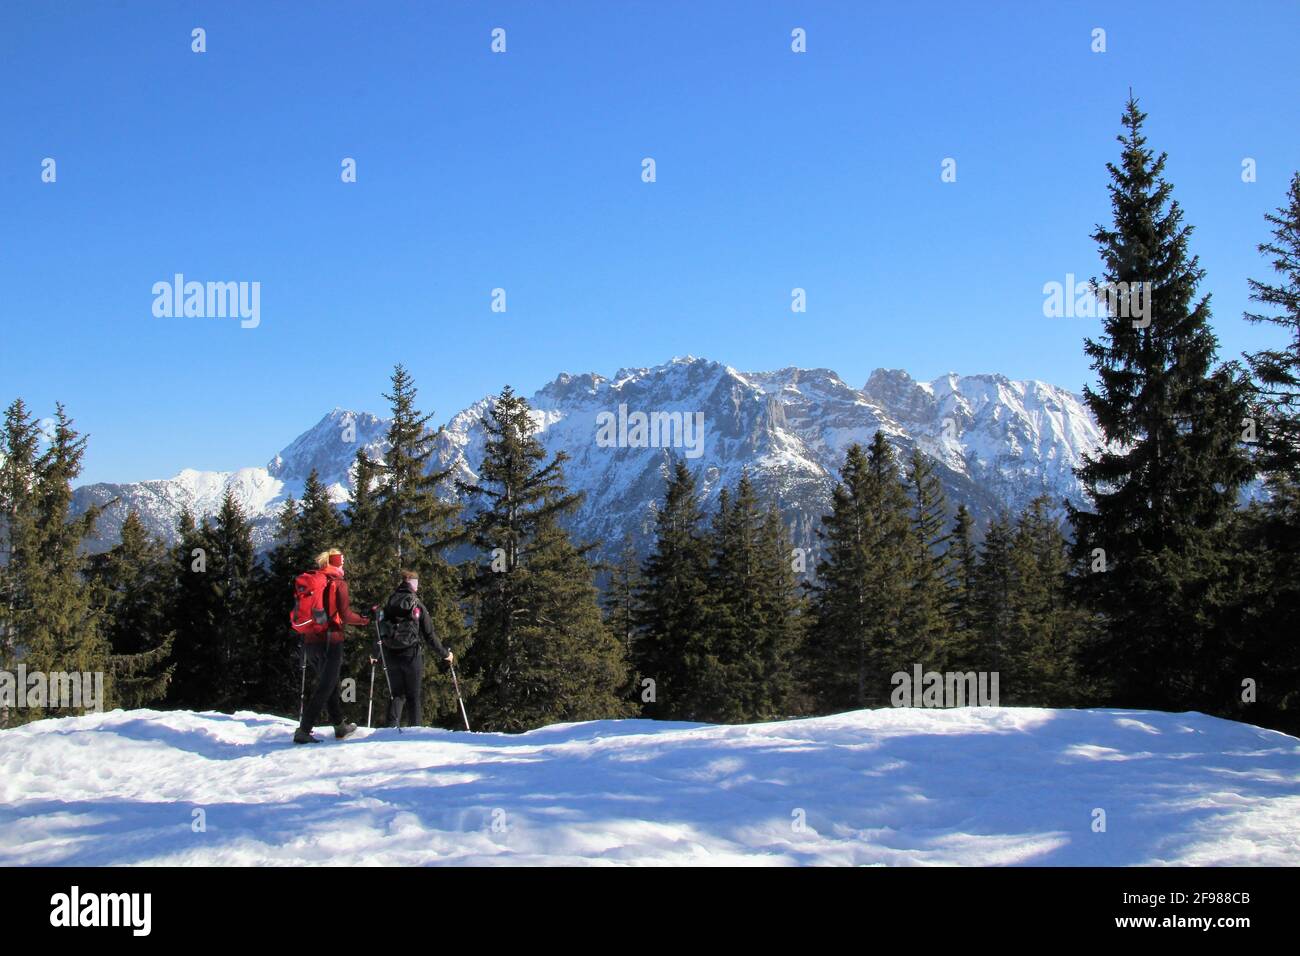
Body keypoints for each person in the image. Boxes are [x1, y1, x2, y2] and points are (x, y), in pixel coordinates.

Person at [295, 549, 369, 744]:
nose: (344, 565)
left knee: (329, 684)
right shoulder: (338, 583)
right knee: (325, 686)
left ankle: (339, 726)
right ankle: (304, 729)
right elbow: (345, 616)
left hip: (311, 641)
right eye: (342, 561)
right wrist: (364, 620)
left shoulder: (316, 580)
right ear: (337, 563)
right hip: (332, 641)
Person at [376, 570, 452, 728]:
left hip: (390, 652)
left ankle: (390, 729)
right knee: (413, 696)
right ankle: (414, 731)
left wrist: (375, 653)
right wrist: (445, 654)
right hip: (411, 653)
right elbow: (429, 635)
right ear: (414, 584)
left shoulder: (390, 602)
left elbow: (380, 629)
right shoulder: (416, 604)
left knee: (397, 693)